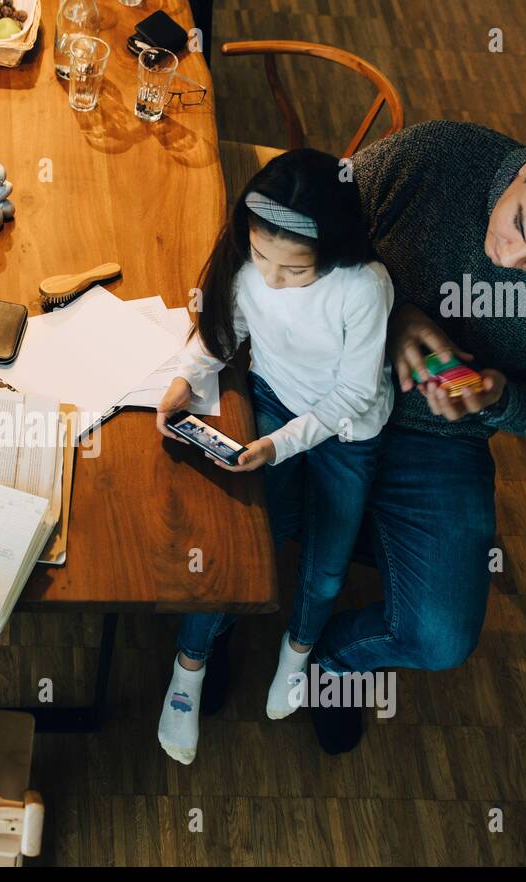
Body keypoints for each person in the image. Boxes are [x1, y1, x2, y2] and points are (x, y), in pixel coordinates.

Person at [176, 121, 526, 757]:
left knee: (441, 638)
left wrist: (499, 398)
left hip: (440, 441)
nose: (508, 258)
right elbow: (313, 219)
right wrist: (398, 312)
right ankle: (208, 638)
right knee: (241, 536)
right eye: (519, 224)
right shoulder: (438, 156)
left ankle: (330, 666)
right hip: (308, 385)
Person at [155, 148, 394, 765]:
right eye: (260, 257)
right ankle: (189, 669)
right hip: (276, 396)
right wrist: (186, 378)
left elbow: (355, 393)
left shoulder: (362, 288)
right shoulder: (248, 262)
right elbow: (226, 329)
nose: (270, 279)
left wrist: (280, 444)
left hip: (347, 426)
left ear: (333, 253)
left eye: (293, 270)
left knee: (329, 563)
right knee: (250, 542)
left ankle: (299, 650)